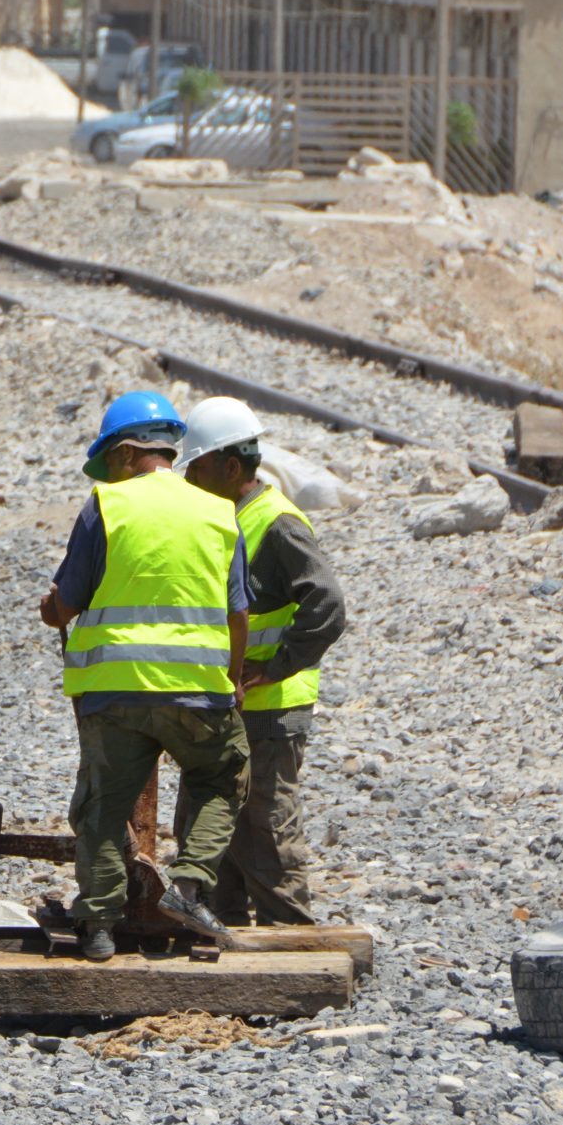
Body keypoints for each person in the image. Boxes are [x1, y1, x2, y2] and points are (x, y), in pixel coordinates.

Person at [38, 391, 251, 963]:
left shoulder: (105, 505)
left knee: (103, 807)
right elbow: (237, 612)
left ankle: (100, 927)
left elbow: (69, 600)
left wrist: (50, 609)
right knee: (222, 776)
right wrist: (231, 678)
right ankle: (186, 888)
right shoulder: (217, 511)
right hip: (198, 693)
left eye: (109, 458)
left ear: (127, 452)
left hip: (114, 691)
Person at [177, 397, 348, 927]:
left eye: (198, 468)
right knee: (216, 825)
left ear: (231, 467)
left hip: (271, 708)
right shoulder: (225, 516)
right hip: (226, 702)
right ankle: (225, 931)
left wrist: (275, 667)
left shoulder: (277, 524)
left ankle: (291, 939)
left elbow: (328, 606)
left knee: (268, 828)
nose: (189, 480)